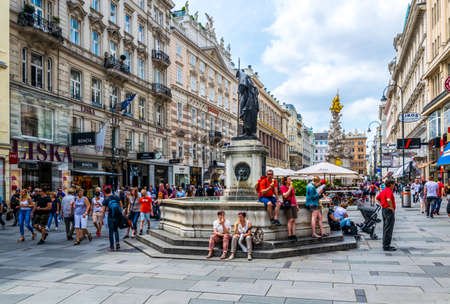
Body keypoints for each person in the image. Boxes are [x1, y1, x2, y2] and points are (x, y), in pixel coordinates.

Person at [376, 180, 396, 251]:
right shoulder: (389, 191)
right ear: (390, 184)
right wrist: (391, 207)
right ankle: (386, 246)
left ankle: (385, 244)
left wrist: (382, 204)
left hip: (384, 210)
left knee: (386, 227)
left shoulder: (383, 191)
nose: (394, 186)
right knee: (389, 228)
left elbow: (377, 198)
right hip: (388, 211)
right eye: (393, 184)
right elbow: (388, 199)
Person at [102, 187, 122, 251]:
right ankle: (117, 242)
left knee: (111, 231)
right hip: (117, 215)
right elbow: (121, 204)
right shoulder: (116, 196)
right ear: (111, 191)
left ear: (104, 192)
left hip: (110, 216)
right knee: (116, 229)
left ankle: (112, 247)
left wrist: (102, 218)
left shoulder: (106, 199)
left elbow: (103, 210)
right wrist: (119, 210)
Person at [280, 176, 299, 241]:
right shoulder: (283, 187)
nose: (290, 180)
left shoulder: (292, 187)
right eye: (289, 179)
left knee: (293, 220)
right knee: (290, 220)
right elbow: (285, 195)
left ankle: (294, 234)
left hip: (293, 204)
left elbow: (294, 196)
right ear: (285, 181)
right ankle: (289, 234)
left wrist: (297, 205)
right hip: (288, 205)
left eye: (290, 179)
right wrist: (290, 189)